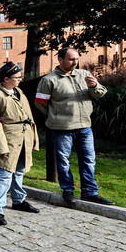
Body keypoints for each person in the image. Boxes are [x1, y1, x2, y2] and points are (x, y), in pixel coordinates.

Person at [35, 48, 112, 205]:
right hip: (62, 128)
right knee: (63, 161)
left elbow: (101, 93)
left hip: (84, 126)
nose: (75, 62)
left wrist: (94, 86)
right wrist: (55, 116)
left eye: (77, 59)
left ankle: (90, 192)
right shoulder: (49, 80)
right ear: (61, 59)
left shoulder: (84, 75)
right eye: (71, 59)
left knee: (89, 159)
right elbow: (40, 103)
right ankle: (68, 190)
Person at [0, 62, 41, 225]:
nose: (19, 79)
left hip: (23, 138)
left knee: (19, 171)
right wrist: (1, 145)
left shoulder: (18, 92)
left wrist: (33, 138)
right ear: (6, 79)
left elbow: (28, 115)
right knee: (4, 174)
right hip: (9, 139)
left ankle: (18, 200)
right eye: (16, 77)